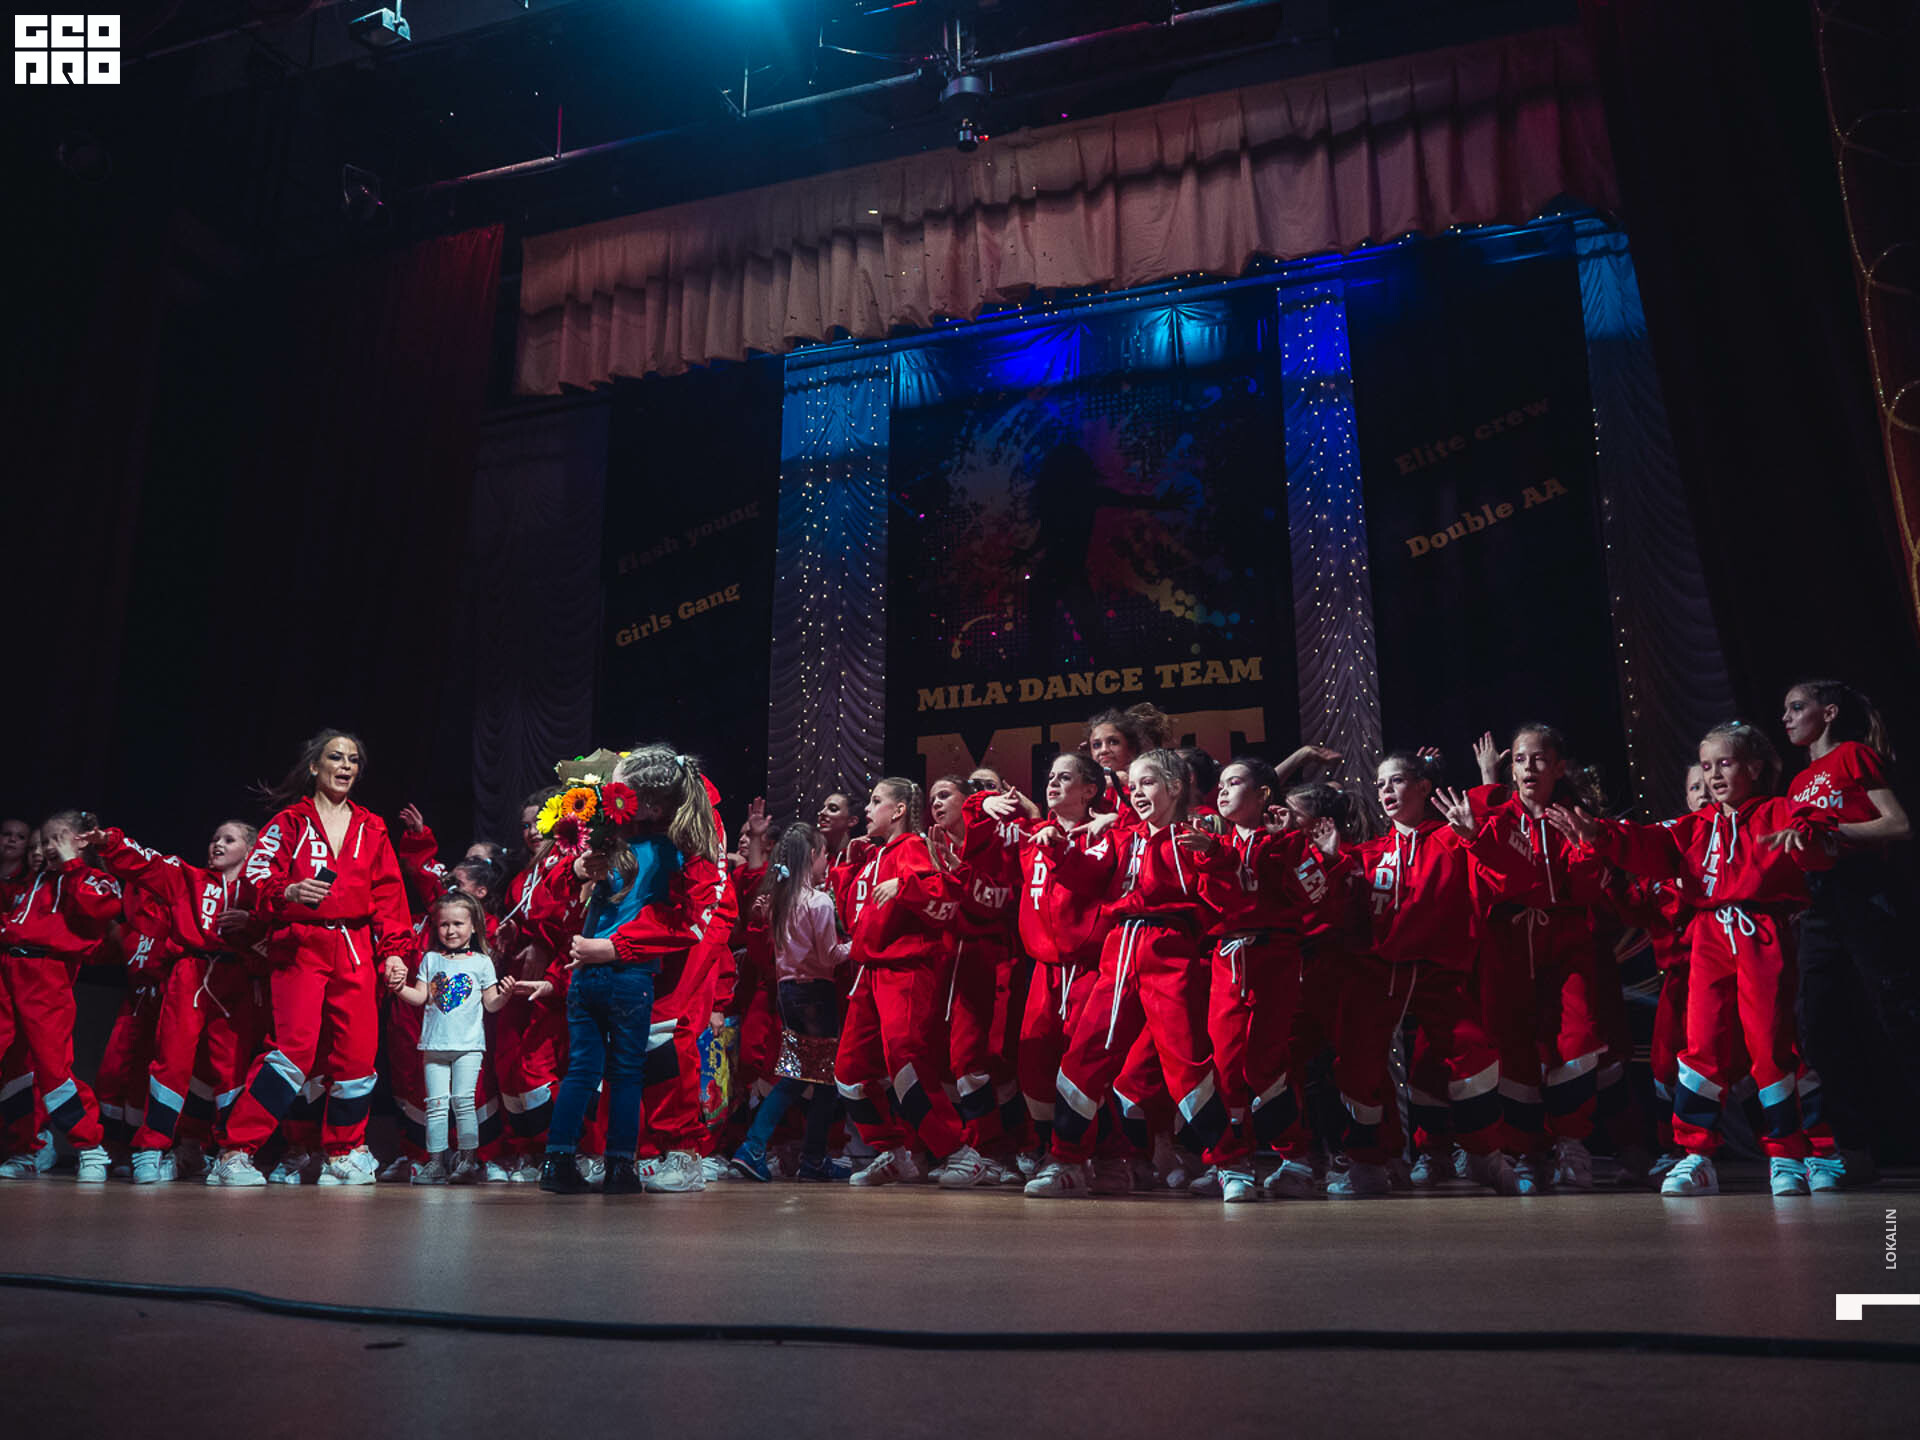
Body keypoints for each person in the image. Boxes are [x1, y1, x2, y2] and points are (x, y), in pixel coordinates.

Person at [1547, 721, 1837, 1197]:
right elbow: (1646, 844)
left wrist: (1806, 839)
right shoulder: (1693, 827)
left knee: (1770, 1044)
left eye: (1725, 763)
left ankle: (1793, 1154)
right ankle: (1696, 1155)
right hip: (1708, 937)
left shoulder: (1779, 811)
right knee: (1699, 1045)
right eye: (1706, 766)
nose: (1714, 775)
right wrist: (1598, 834)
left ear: (1754, 768)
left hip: (1760, 932)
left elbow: (1820, 842)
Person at [210, 730, 413, 1188]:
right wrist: (289, 891)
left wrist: (394, 952)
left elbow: (389, 895)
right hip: (300, 943)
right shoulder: (289, 822)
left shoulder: (372, 826)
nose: (346, 766)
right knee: (293, 1051)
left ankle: (345, 1150)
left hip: (355, 946)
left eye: (353, 760)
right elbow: (256, 876)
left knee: (358, 1053)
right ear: (315, 767)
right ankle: (236, 1150)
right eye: (336, 757)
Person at [1025, 750, 1228, 1198]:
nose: (1136, 793)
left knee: (1187, 1061)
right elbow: (1088, 875)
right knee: (1084, 1054)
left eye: (1147, 783)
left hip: (1170, 948)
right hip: (1119, 950)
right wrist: (1058, 849)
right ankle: (1066, 1160)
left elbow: (1222, 897)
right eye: (1132, 786)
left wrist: (1214, 856)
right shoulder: (1122, 836)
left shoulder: (1198, 835)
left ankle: (1230, 1162)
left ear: (1175, 787)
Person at [534, 746, 727, 1196]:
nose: (608, 797)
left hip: (661, 945)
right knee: (616, 1069)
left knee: (663, 1038)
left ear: (652, 806)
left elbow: (700, 913)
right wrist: (575, 869)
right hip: (610, 959)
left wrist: (616, 946)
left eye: (618, 791)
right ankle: (619, 1158)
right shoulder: (615, 816)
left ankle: (679, 1151)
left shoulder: (693, 827)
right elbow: (556, 891)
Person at [1180, 757, 1338, 1202]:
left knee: (1265, 1062)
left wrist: (1288, 842)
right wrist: (1210, 856)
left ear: (1263, 794)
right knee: (1225, 1063)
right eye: (1221, 784)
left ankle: (1295, 1158)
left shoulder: (1287, 841)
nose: (1223, 791)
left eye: (1234, 783)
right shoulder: (1210, 842)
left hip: (1274, 956)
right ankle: (1233, 1163)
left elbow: (1316, 896)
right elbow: (1208, 900)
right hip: (1227, 958)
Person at [1464, 725, 1612, 1192]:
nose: (1529, 767)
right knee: (1512, 1044)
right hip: (1507, 940)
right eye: (1520, 759)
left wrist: (1586, 845)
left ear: (1559, 767)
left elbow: (1588, 888)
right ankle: (1525, 1148)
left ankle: (1571, 1142)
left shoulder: (1573, 817)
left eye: (1540, 758)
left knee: (1576, 1037)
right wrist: (1486, 784)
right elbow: (1485, 872)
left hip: (1565, 938)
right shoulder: (1496, 816)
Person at [77, 819, 265, 1183]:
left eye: (229, 839)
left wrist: (252, 924)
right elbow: (146, 862)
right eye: (214, 838)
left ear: (251, 850)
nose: (218, 844)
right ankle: (150, 1149)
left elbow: (277, 929)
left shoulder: (259, 891)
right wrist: (109, 841)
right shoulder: (187, 878)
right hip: (189, 972)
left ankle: (231, 1154)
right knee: (171, 1062)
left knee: (231, 1069)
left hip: (235, 978)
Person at [1781, 679, 1914, 1189]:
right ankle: (1853, 1148)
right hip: (1820, 905)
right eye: (1785, 710)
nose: (1787, 717)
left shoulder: (1853, 755)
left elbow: (1897, 824)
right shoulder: (1797, 783)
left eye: (1797, 707)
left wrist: (1833, 832)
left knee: (1895, 1015)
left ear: (1830, 712)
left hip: (1864, 893)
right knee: (1818, 1022)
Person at [833, 777, 993, 1188]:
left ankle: (960, 1152)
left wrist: (905, 886)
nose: (867, 809)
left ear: (899, 810)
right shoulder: (875, 855)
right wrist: (849, 869)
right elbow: (852, 920)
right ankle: (894, 1152)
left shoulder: (912, 848)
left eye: (876, 801)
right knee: (849, 1070)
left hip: (903, 969)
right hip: (868, 973)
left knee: (906, 1061)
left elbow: (944, 899)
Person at [0, 811, 121, 1181]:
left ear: (80, 841)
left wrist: (72, 864)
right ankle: (27, 1148)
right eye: (42, 842)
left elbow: (103, 908)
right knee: (12, 1068)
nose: (45, 848)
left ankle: (90, 1147)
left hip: (47, 975)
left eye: (55, 839)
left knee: (53, 1067)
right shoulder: (32, 881)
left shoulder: (91, 879)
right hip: (8, 970)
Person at [730, 824, 852, 1182]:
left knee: (809, 1077)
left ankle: (803, 1157)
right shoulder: (817, 901)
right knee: (811, 1078)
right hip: (816, 993)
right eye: (824, 855)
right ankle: (764, 1149)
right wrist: (860, 943)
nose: (827, 861)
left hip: (788, 994)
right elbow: (829, 956)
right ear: (812, 856)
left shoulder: (781, 901)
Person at [386, 892, 513, 1184]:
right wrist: (399, 988)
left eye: (458, 924)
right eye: (444, 924)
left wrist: (505, 995)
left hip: (469, 1047)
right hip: (434, 1046)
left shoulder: (482, 962)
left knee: (464, 1101)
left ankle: (468, 1161)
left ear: (474, 927)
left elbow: (491, 1004)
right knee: (436, 1104)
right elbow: (420, 997)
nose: (451, 930)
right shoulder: (430, 959)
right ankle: (435, 1163)